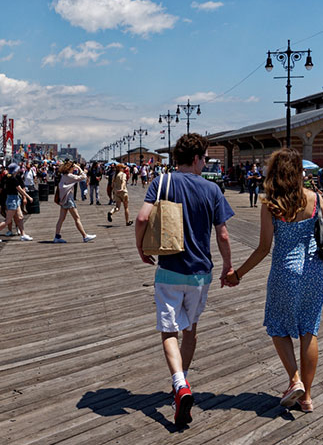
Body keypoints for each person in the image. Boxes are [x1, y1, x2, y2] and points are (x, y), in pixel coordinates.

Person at [226, 148, 323, 414]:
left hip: (285, 273)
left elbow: (264, 248)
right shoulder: (315, 198)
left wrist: (238, 274)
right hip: (315, 271)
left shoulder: (270, 204)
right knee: (309, 331)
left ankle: (294, 379)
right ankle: (307, 398)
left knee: (278, 327)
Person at [135, 133, 235, 428]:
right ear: (196, 159)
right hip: (199, 273)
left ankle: (179, 385)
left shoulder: (161, 182)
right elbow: (224, 234)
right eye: (204, 159)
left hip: (169, 269)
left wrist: (141, 248)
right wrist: (228, 266)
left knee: (168, 333)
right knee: (189, 330)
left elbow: (141, 219)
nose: (205, 164)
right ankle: (183, 383)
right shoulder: (212, 190)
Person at [53, 160, 95, 243]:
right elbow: (83, 177)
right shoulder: (69, 176)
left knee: (61, 219)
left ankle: (57, 237)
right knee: (77, 218)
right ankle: (85, 236)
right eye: (73, 167)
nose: (74, 169)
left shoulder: (64, 175)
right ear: (70, 168)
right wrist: (79, 168)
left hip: (63, 199)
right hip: (68, 199)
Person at [0, 164, 33, 242]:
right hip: (12, 199)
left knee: (20, 217)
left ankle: (23, 234)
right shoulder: (13, 178)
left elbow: (1, 188)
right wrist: (28, 197)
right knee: (8, 220)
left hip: (11, 198)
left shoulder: (5, 177)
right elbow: (20, 189)